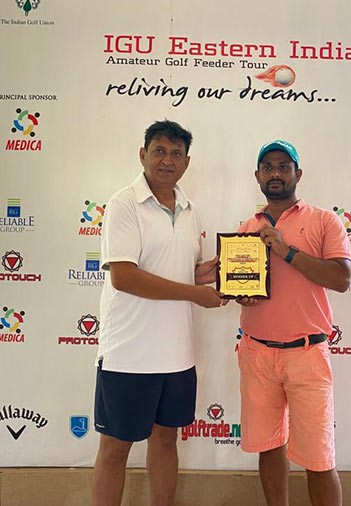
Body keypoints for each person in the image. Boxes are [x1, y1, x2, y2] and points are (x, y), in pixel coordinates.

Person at [92, 120, 225, 506]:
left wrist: (221, 272)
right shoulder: (123, 204)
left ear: (186, 163)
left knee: (166, 440)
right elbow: (124, 277)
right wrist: (195, 293)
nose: (167, 160)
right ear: (143, 155)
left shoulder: (190, 211)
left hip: (177, 355)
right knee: (116, 449)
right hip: (129, 354)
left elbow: (184, 271)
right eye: (159, 151)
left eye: (176, 154)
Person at [234, 139, 351, 506]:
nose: (275, 173)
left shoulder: (324, 220)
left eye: (283, 166)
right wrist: (241, 293)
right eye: (267, 167)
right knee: (269, 449)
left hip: (307, 353)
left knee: (319, 458)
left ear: (297, 173)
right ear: (257, 176)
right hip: (256, 352)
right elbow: (238, 286)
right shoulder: (245, 228)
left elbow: (341, 279)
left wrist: (285, 250)